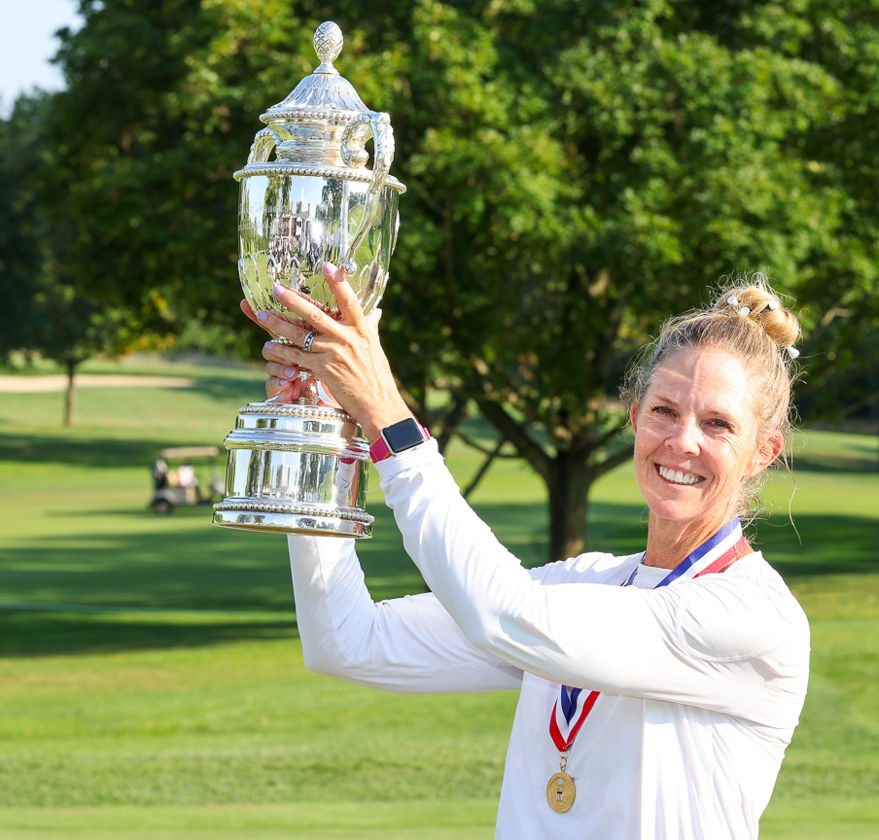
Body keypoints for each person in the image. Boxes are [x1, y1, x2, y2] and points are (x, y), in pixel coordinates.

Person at [241, 265, 811, 839]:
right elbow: (346, 642)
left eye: (718, 424)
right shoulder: (584, 584)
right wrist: (318, 434)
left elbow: (504, 613)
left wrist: (386, 415)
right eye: (665, 410)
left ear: (763, 451)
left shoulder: (755, 618)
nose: (682, 441)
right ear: (635, 418)